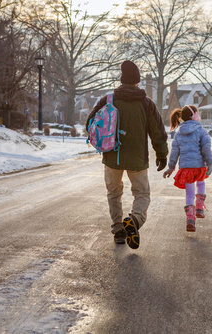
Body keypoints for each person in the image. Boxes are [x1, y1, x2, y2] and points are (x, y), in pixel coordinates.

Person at [86, 60, 168, 249]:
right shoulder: (146, 103)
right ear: (137, 81)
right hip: (137, 158)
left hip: (111, 156)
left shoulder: (108, 100)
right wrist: (162, 154)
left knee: (114, 193)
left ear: (122, 80)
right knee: (142, 193)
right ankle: (135, 220)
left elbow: (90, 123)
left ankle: (118, 230)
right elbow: (158, 131)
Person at [163, 105, 212, 232]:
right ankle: (199, 208)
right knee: (201, 183)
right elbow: (206, 148)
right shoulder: (201, 131)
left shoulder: (179, 133)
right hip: (199, 167)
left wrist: (171, 167)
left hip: (186, 168)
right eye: (197, 113)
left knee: (189, 193)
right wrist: (209, 163)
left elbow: (175, 152)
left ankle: (190, 219)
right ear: (194, 116)